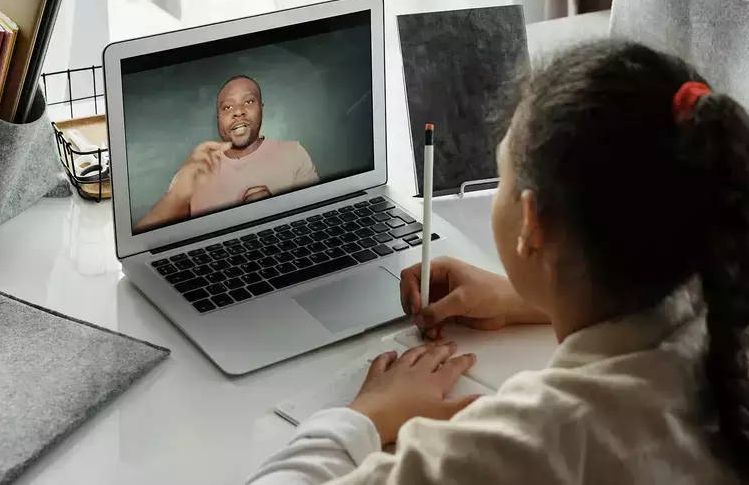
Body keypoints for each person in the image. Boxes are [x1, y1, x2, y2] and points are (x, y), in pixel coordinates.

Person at [247, 40, 749, 483]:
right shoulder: (726, 307)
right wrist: (529, 296)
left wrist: (367, 415)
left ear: (532, 222)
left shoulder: (531, 444)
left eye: (502, 173)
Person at [135, 75, 319, 232]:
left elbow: (316, 225)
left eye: (248, 102)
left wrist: (273, 211)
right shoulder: (196, 169)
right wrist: (178, 194)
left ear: (261, 108)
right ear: (218, 119)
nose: (238, 112)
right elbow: (147, 244)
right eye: (227, 107)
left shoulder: (294, 153)